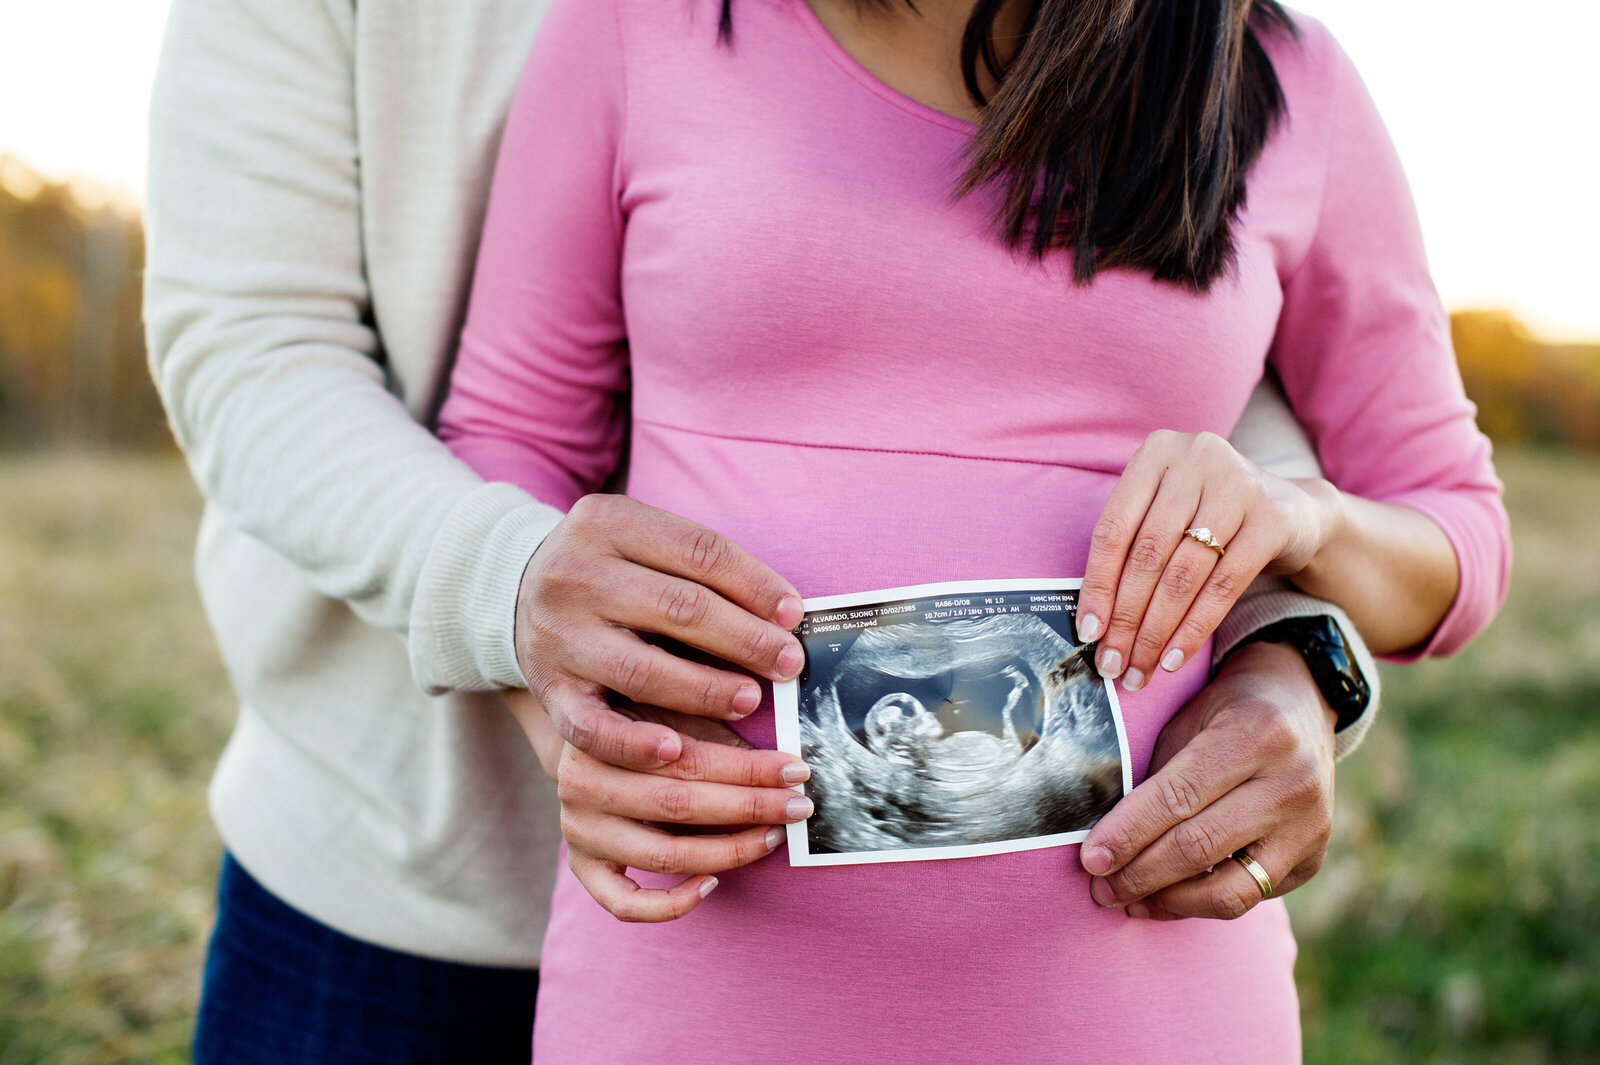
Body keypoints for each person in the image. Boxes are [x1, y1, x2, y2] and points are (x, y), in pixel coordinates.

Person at [142, 0, 1418, 1060]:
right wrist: (516, 602)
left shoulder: (1221, 66)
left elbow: (1181, 370)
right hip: (412, 873)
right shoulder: (641, 32)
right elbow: (254, 346)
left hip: (1086, 979)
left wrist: (1297, 661)